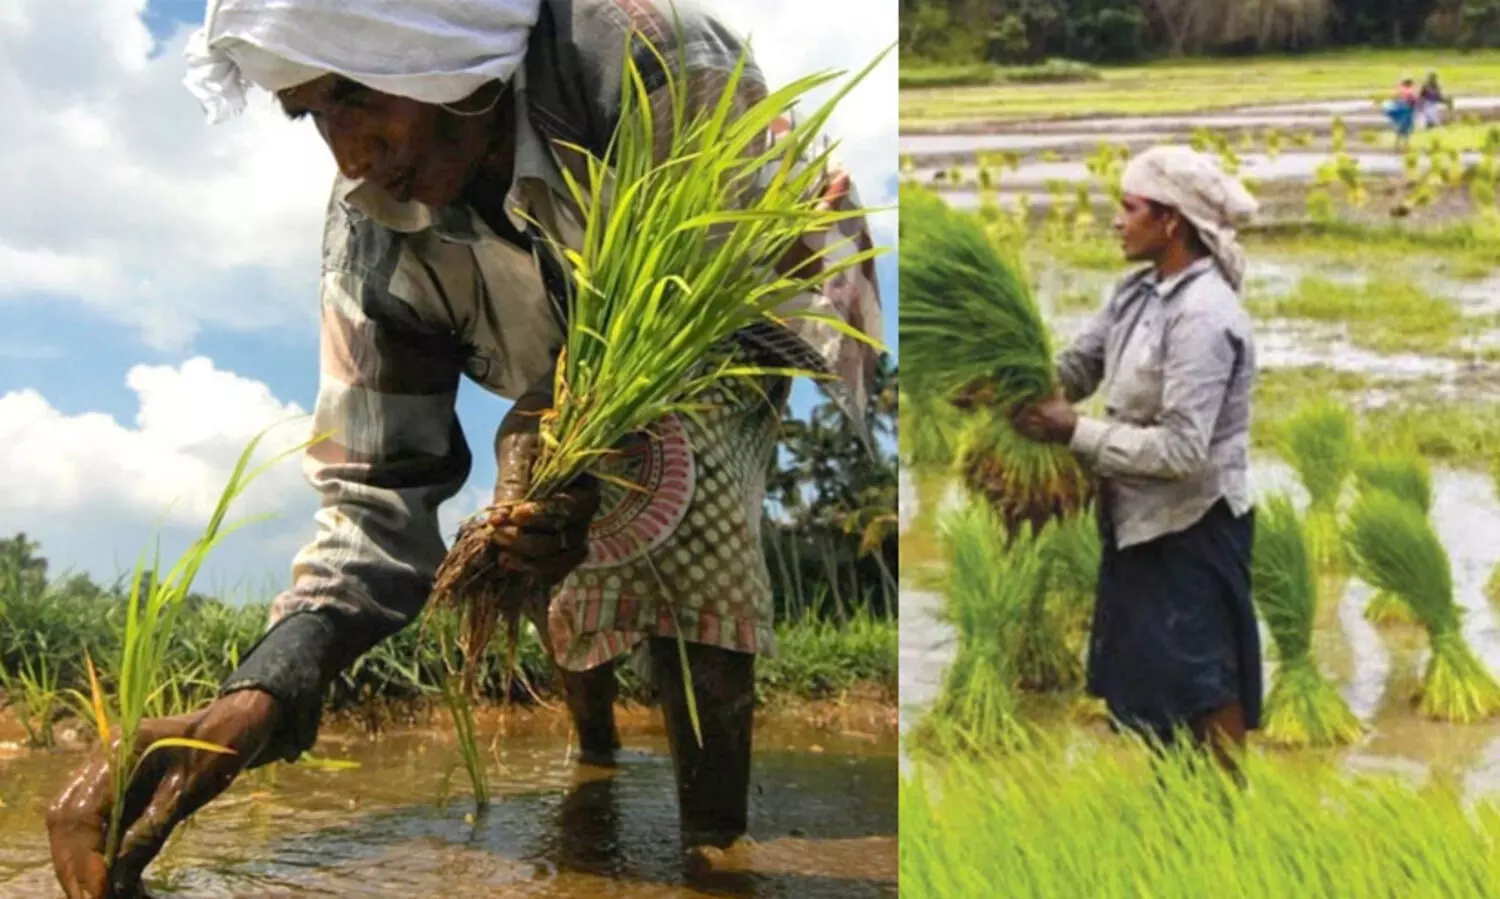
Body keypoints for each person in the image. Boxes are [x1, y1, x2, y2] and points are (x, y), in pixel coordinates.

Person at [45, 1, 882, 896]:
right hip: (571, 338)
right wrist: (260, 695)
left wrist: (557, 437)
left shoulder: (639, 56)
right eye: (311, 113)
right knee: (530, 529)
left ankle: (714, 847)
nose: (349, 155)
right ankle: (595, 756)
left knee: (672, 475)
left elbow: (689, 309)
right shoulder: (372, 233)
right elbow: (374, 492)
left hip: (744, 294)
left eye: (354, 95)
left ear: (429, 42)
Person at [1011, 146, 1262, 778]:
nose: (1117, 221)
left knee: (1207, 682)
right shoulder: (1137, 294)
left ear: (1170, 221)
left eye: (1130, 208)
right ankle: (1173, 805)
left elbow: (1181, 450)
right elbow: (1079, 366)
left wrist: (1073, 430)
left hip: (1194, 526)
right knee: (1157, 687)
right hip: (1135, 521)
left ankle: (1228, 812)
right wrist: (1016, 383)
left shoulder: (1204, 316)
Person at [1386, 77, 1419, 150]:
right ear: (1410, 84)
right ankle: (1404, 144)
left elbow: (1395, 99)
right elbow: (1415, 101)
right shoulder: (1410, 92)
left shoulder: (1402, 91)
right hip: (1407, 111)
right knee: (1406, 128)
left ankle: (1398, 144)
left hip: (1402, 111)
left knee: (1401, 128)